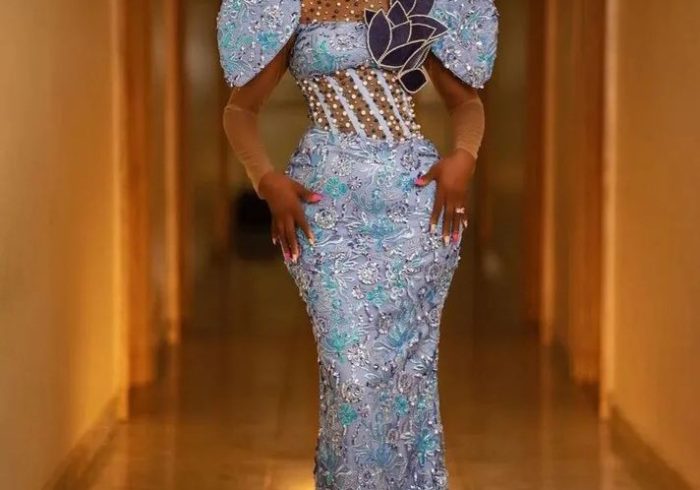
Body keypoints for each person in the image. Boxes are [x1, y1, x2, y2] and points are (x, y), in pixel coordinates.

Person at [218, 0, 498, 488]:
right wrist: (266, 180)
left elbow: (467, 103)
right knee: (351, 374)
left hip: (413, 213)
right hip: (326, 215)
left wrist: (464, 158)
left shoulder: (411, 5)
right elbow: (239, 111)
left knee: (407, 374)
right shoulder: (294, 9)